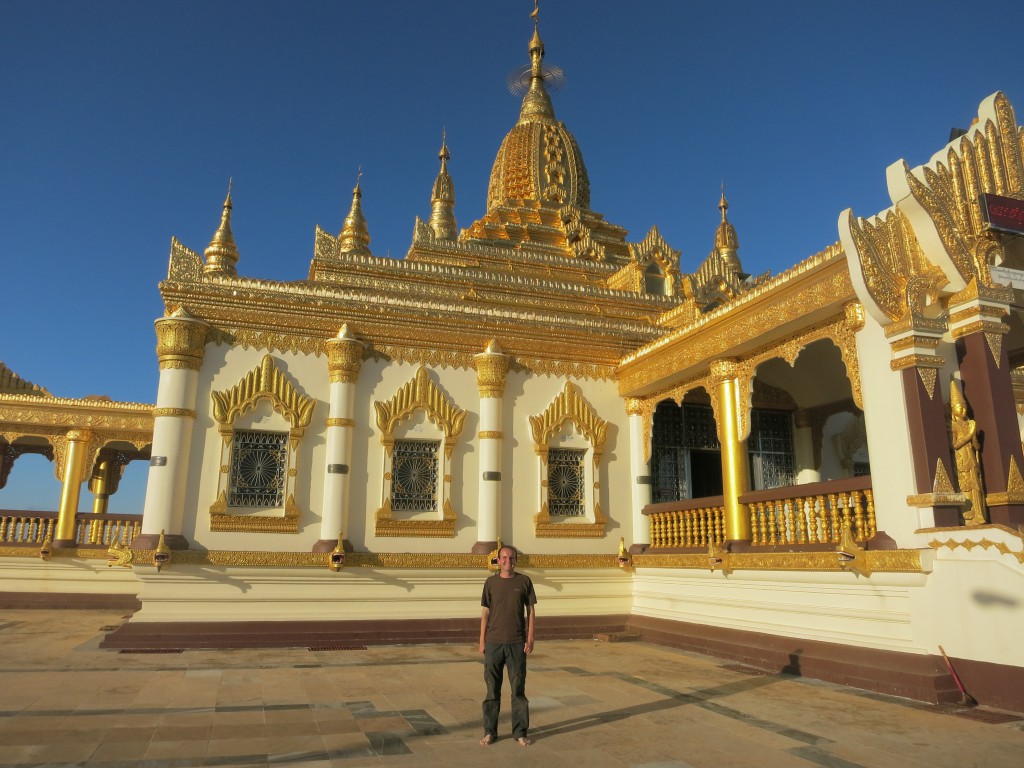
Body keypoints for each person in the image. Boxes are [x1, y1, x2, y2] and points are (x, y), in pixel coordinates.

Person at [479, 545, 537, 747]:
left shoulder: (524, 582)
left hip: (516, 644)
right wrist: (482, 641)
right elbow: (485, 613)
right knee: (492, 691)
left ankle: (520, 731)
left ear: (516, 560)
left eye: (511, 558)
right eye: (504, 557)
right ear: (498, 560)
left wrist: (530, 638)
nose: (508, 561)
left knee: (518, 691)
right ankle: (489, 731)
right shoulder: (491, 583)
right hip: (494, 643)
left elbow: (530, 611)